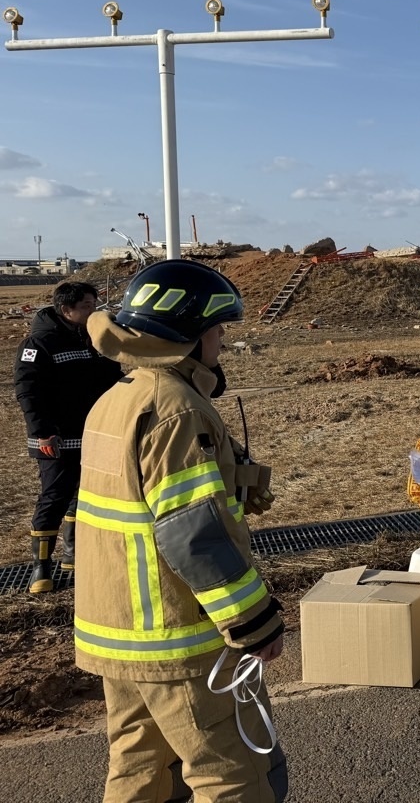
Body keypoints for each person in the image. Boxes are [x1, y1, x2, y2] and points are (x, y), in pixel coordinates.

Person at [77, 259, 287, 801]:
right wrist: (255, 622)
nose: (220, 343)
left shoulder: (117, 399)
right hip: (175, 639)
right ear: (187, 336)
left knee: (140, 771)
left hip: (119, 632)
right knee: (232, 773)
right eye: (216, 331)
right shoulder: (176, 410)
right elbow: (192, 534)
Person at [14, 280, 122, 593]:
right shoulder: (39, 343)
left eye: (95, 305)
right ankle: (41, 567)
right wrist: (43, 432)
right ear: (67, 310)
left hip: (95, 436)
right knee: (55, 497)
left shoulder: (96, 339)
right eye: (87, 306)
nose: (94, 311)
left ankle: (74, 556)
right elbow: (28, 391)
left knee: (86, 495)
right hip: (55, 441)